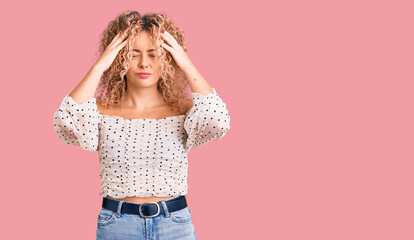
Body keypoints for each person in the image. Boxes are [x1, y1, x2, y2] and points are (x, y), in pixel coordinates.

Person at [53, 10, 230, 240]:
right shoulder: (100, 110)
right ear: (119, 58)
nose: (144, 63)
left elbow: (218, 122)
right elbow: (65, 123)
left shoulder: (184, 110)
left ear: (167, 57)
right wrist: (100, 65)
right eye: (133, 54)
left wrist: (186, 63)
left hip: (175, 224)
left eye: (153, 54)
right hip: (117, 225)